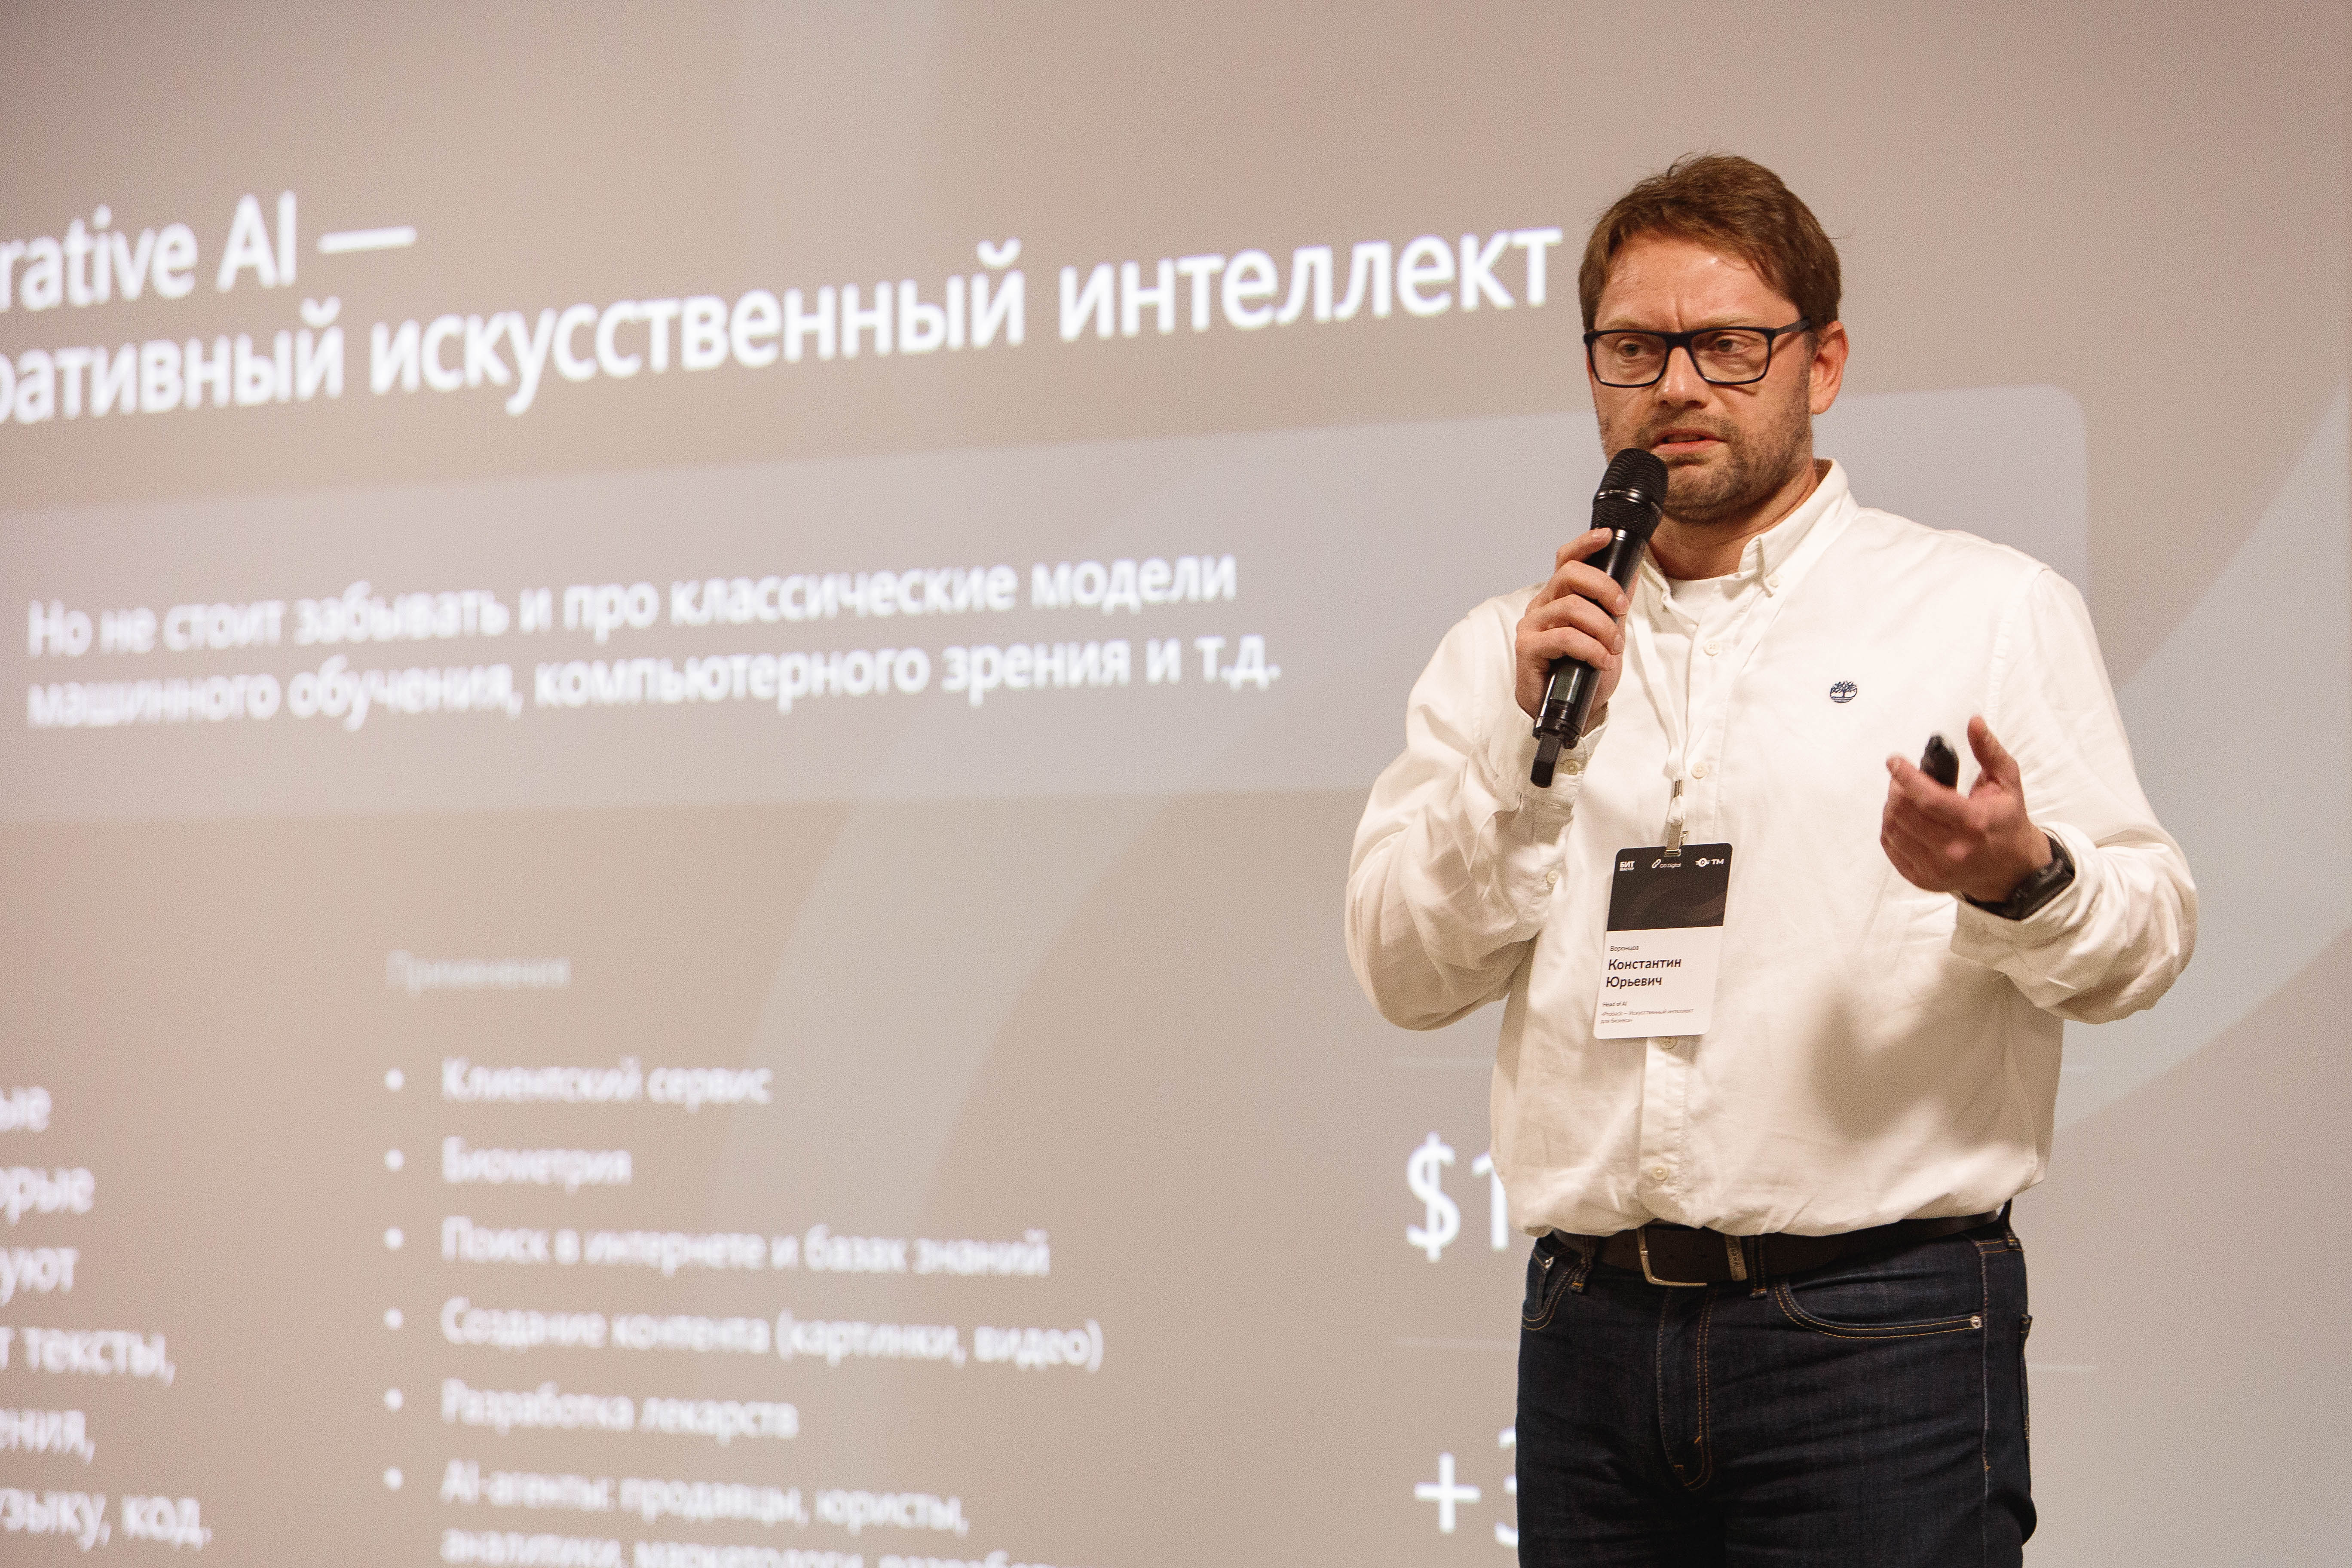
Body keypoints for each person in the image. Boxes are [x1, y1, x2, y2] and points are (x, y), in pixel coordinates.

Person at [1343, 153, 2194, 1566]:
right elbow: (1401, 971)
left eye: (1729, 345)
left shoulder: (1981, 610)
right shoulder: (1514, 650)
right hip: (1590, 1332)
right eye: (1632, 348)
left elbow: (2149, 933)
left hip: (1882, 1332)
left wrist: (2020, 875)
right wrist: (1521, 757)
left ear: (1825, 361)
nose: (1677, 384)